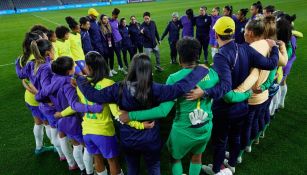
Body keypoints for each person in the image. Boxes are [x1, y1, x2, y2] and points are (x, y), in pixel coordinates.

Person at [118, 38, 243, 175]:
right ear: (198, 55)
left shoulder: (174, 78)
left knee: (175, 159)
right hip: (205, 128)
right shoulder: (212, 74)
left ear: (179, 57)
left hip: (183, 130)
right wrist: (248, 93)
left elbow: (163, 111)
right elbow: (229, 96)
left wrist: (130, 115)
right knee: (197, 157)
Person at [76, 53, 211, 175]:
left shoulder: (118, 88)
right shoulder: (155, 88)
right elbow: (179, 88)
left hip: (128, 139)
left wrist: (81, 79)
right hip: (150, 139)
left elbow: (93, 95)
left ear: (131, 68)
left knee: (132, 167)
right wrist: (200, 70)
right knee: (153, 167)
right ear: (149, 70)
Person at [184, 17, 280, 175]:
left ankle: (216, 170)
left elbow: (225, 87)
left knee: (220, 141)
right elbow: (271, 64)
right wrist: (274, 47)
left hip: (225, 108)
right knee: (235, 136)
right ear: (234, 32)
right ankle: (233, 164)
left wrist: (205, 92)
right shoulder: (245, 49)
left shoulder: (221, 56)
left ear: (216, 34)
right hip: (242, 105)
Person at [75, 52, 154, 175]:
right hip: (103, 132)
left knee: (97, 159)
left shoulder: (81, 84)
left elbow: (77, 106)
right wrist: (140, 125)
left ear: (89, 67)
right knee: (113, 162)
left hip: (86, 131)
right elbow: (118, 114)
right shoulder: (108, 83)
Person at [36, 56, 102, 174]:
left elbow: (39, 96)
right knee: (88, 147)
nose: (75, 67)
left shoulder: (54, 79)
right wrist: (92, 108)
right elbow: (74, 105)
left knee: (76, 145)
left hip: (63, 122)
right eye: (73, 66)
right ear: (68, 71)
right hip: (72, 120)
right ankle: (89, 171)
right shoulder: (67, 84)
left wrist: (49, 102)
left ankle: (81, 168)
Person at [15, 32, 54, 155]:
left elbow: (23, 78)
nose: (44, 39)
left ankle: (39, 147)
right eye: (41, 38)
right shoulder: (36, 59)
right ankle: (57, 147)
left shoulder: (22, 57)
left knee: (38, 122)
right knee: (48, 123)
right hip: (39, 97)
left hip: (29, 97)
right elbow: (36, 83)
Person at [109, 8, 127, 74]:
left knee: (119, 54)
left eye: (117, 16)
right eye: (115, 16)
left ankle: (120, 67)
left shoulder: (117, 21)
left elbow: (119, 28)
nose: (116, 17)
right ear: (112, 14)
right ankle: (113, 69)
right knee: (113, 56)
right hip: (114, 41)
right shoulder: (108, 21)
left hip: (119, 40)